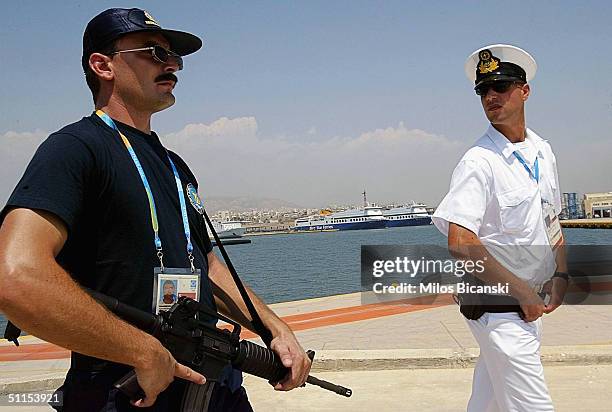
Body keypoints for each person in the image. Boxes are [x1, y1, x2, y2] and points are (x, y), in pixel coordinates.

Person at [0, 7, 311, 411]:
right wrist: (141, 350)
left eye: (175, 57)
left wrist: (274, 328)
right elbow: (15, 275)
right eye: (154, 53)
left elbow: (207, 267)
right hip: (126, 389)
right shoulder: (75, 149)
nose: (173, 66)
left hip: (212, 384)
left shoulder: (174, 164)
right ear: (102, 65)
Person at [432, 44, 569, 411]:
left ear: (524, 91)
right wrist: (523, 292)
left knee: (489, 401)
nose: (491, 96)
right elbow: (461, 243)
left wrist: (562, 274)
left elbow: (550, 219)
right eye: (483, 90)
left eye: (502, 85)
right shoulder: (479, 162)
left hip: (527, 304)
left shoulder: (543, 151)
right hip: (499, 309)